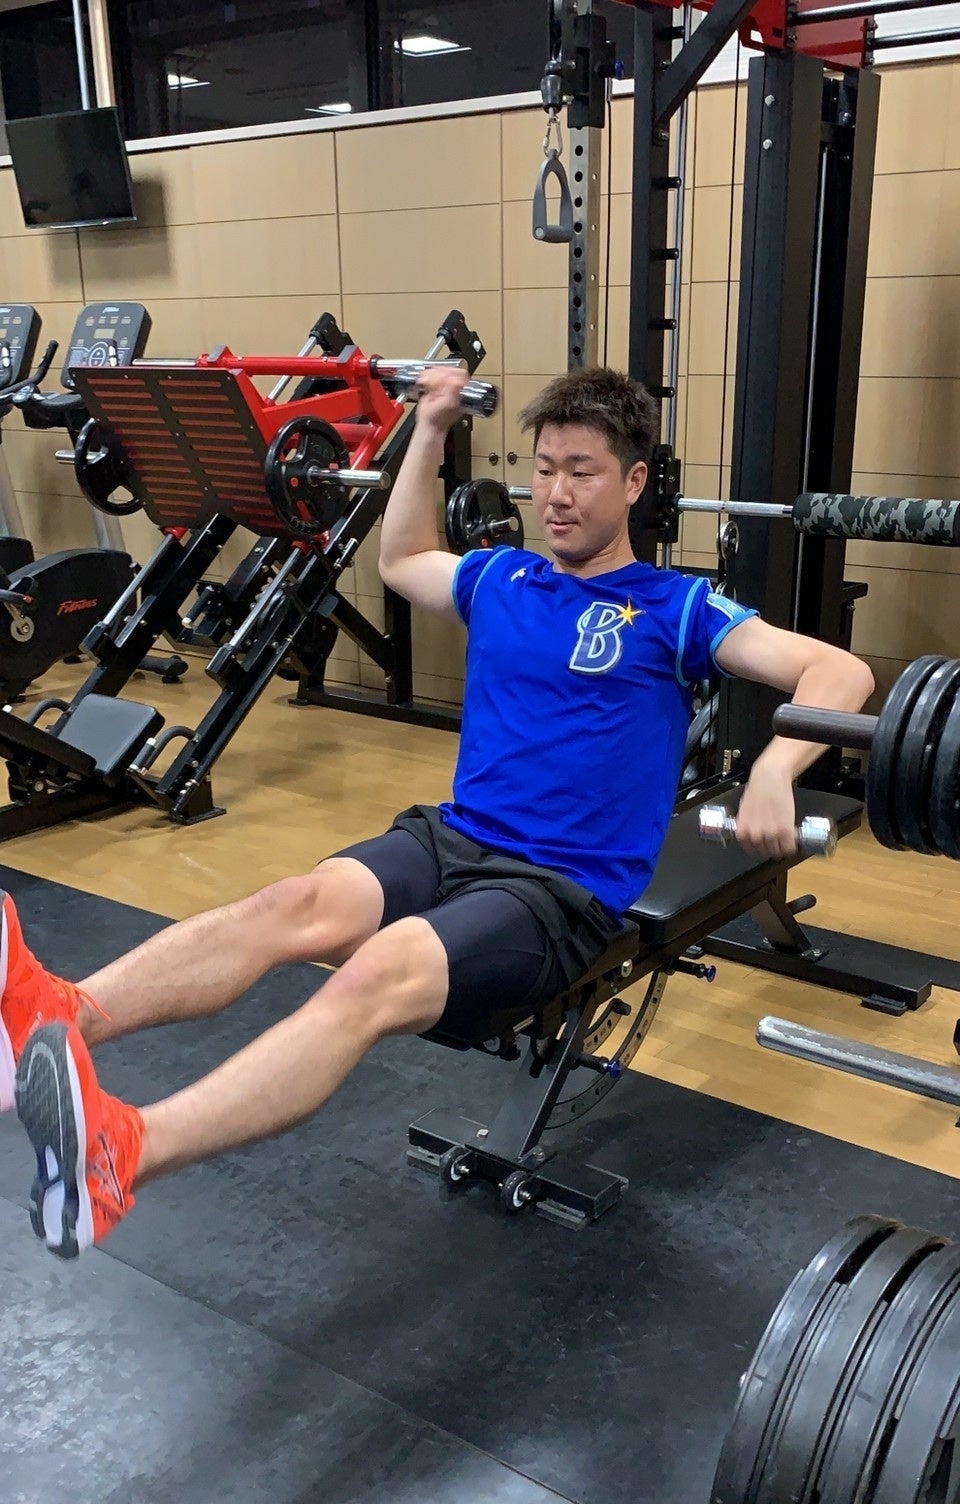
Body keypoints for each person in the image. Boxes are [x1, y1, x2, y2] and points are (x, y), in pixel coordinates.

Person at [5, 364, 874, 1260]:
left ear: (634, 482)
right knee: (289, 904)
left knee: (374, 974)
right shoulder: (502, 578)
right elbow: (401, 558)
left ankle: (124, 1158)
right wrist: (428, 426)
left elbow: (839, 673)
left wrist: (775, 770)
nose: (556, 493)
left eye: (583, 471)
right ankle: (55, 1016)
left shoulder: (674, 608)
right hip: (453, 836)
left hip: (558, 890)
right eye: (544, 469)